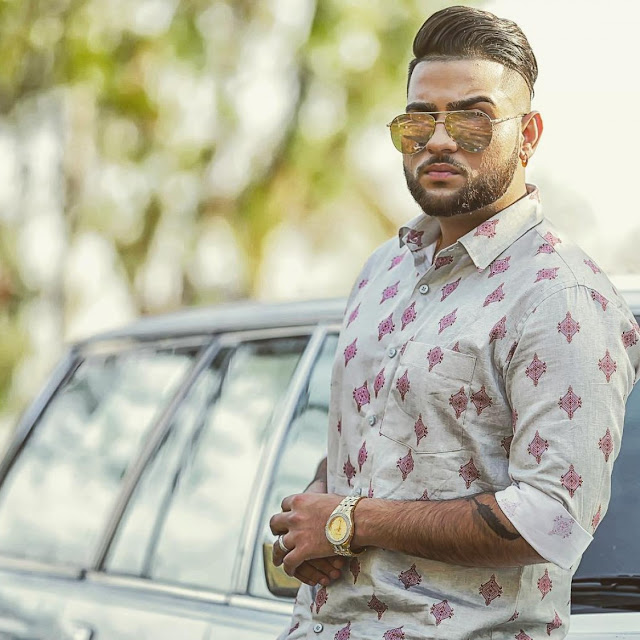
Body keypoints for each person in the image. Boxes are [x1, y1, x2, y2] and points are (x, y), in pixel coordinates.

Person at [270, 6, 640, 639]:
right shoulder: (383, 270)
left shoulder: (560, 296)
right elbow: (362, 447)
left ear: (528, 135)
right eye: (419, 120)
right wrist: (315, 516)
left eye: (473, 118)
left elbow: (552, 519)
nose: (439, 141)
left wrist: (349, 521)